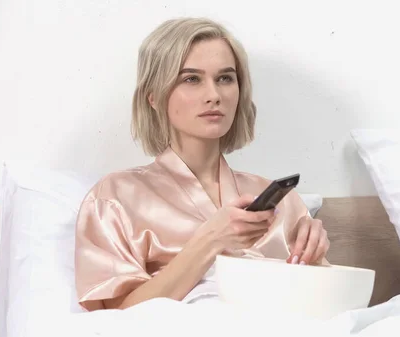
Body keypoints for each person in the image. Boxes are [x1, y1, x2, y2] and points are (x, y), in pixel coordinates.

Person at [74, 17, 330, 312]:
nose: (214, 96)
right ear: (154, 97)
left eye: (225, 78)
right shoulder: (115, 197)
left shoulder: (280, 201)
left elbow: (322, 307)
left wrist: (316, 262)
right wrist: (211, 240)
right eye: (191, 79)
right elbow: (117, 318)